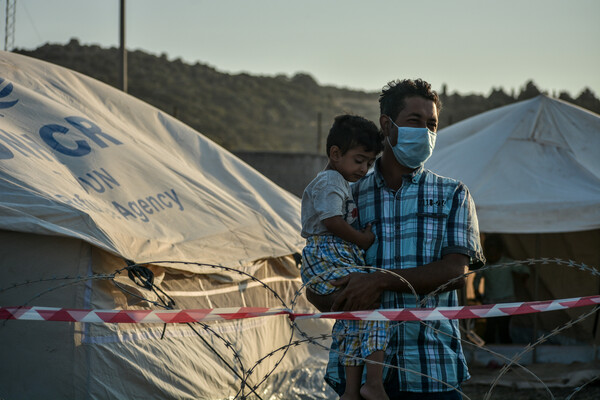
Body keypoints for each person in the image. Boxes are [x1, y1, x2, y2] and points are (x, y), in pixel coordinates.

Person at [306, 79, 485, 399]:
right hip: (357, 375)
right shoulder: (347, 196)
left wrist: (377, 282)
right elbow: (319, 276)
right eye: (414, 121)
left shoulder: (453, 195)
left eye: (432, 125)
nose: (425, 132)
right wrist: (340, 296)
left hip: (430, 367)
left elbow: (455, 273)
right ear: (386, 126)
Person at [300, 114, 387, 400]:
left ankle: (353, 390)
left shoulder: (339, 181)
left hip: (334, 254)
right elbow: (332, 221)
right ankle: (372, 382)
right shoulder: (330, 181)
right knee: (370, 308)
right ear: (335, 154)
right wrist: (362, 238)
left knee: (354, 317)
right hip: (329, 253)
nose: (364, 169)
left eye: (369, 163)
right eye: (359, 160)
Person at [473, 234, 529, 344]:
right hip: (490, 301)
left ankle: (507, 352)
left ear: (499, 251)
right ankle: (489, 353)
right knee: (490, 328)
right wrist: (476, 291)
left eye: (494, 251)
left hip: (507, 300)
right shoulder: (485, 265)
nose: (492, 254)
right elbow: (476, 279)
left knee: (504, 328)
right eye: (489, 251)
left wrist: (523, 277)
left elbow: (525, 270)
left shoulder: (507, 263)